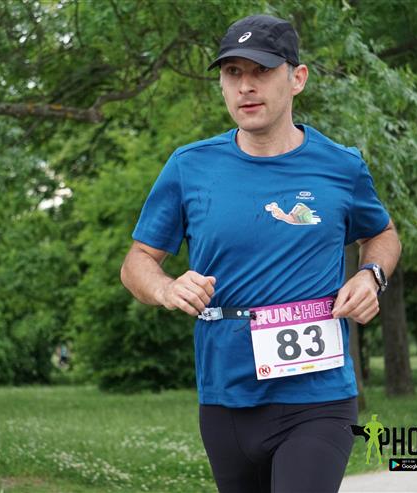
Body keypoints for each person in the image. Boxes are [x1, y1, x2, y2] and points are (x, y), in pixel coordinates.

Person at [120, 14, 401, 493]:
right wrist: (166, 288)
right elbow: (137, 263)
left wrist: (370, 274)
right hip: (225, 398)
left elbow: (383, 234)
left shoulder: (341, 166)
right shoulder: (190, 166)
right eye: (233, 73)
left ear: (297, 78)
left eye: (262, 71)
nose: (246, 86)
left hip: (319, 397)